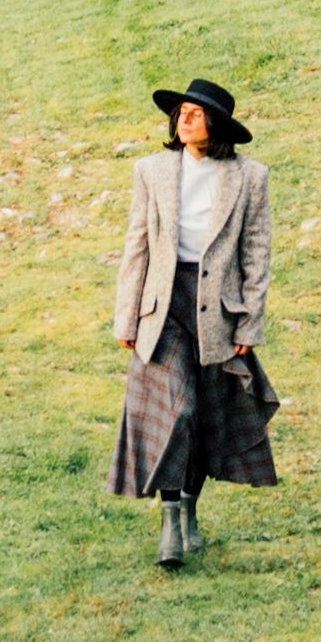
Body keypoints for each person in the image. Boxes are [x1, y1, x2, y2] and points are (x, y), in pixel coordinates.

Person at [110, 78, 277, 568]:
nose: (184, 118)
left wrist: (249, 323)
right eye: (181, 111)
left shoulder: (250, 178)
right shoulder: (152, 171)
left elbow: (256, 253)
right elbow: (136, 244)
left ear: (217, 125)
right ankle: (168, 523)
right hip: (163, 310)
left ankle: (188, 511)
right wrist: (127, 315)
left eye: (195, 113)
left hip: (218, 311)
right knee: (177, 411)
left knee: (203, 419)